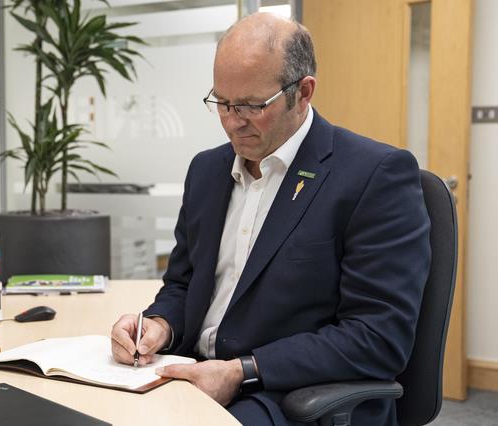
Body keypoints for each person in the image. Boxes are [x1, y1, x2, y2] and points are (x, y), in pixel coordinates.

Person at [110, 12, 430, 426]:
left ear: (303, 92)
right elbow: (184, 283)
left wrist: (242, 369)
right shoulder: (207, 171)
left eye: (250, 106)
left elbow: (378, 337)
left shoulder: (374, 175)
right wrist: (158, 325)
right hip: (189, 373)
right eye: (221, 102)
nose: (230, 121)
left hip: (286, 394)